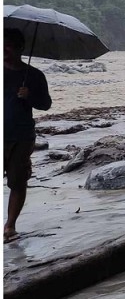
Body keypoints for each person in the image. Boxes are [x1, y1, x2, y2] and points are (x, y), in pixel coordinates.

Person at [4, 28, 51, 242]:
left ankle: (10, 225)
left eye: (8, 46)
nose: (4, 50)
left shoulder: (33, 76)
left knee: (18, 181)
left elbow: (46, 104)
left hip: (21, 135)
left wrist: (29, 96)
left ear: (20, 48)